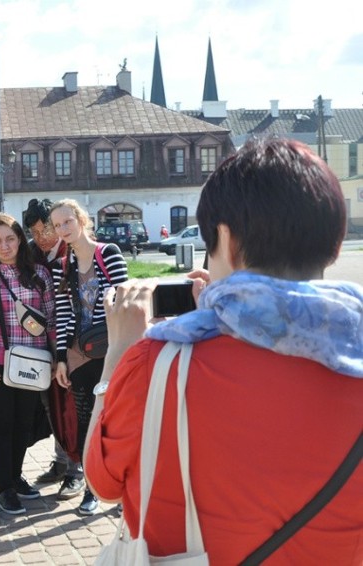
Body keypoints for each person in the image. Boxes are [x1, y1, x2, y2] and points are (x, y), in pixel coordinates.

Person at [84, 137, 363, 563]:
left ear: (226, 239)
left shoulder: (156, 365)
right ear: (336, 244)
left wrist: (120, 349)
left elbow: (101, 482)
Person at [0, 212, 56, 515]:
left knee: (24, 423)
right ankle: (5, 488)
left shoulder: (38, 275)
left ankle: (15, 477)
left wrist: (56, 357)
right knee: (3, 424)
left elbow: (51, 320)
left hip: (33, 361)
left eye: (10, 239)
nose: (5, 246)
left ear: (20, 239)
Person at [49, 198, 127, 516]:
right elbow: (64, 314)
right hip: (80, 355)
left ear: (81, 220)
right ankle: (92, 489)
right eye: (57, 225)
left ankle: (124, 489)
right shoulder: (60, 267)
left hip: (112, 351)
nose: (63, 229)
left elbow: (125, 299)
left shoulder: (108, 253)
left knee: (118, 420)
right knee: (86, 423)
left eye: (67, 221)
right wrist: (61, 359)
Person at [21, 198, 82, 500]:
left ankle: (77, 470)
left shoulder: (75, 250)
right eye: (34, 231)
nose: (41, 237)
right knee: (52, 406)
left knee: (75, 407)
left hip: (76, 343)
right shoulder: (31, 254)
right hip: (42, 345)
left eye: (46, 229)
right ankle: (61, 462)